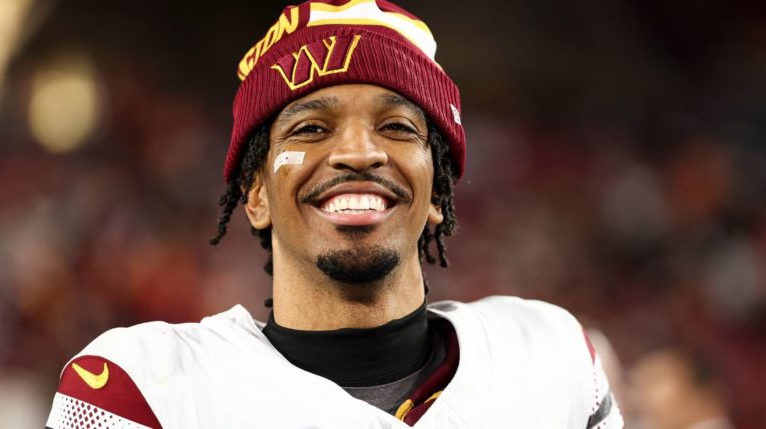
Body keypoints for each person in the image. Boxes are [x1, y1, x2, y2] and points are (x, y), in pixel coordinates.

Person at [45, 1, 623, 427]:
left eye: (396, 128)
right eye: (311, 128)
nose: (357, 153)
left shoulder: (550, 359)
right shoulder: (144, 388)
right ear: (257, 194)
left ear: (439, 197)